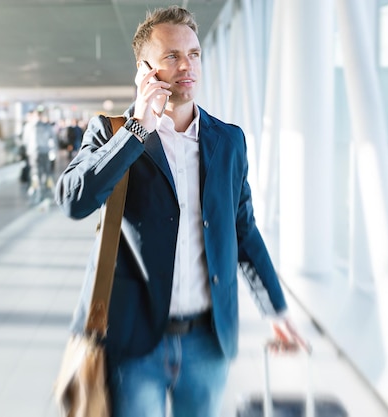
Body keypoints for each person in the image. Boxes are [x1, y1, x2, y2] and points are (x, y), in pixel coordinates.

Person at [54, 6, 307, 417]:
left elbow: (243, 230)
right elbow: (74, 200)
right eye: (172, 56)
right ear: (145, 69)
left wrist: (274, 307)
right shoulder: (113, 132)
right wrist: (138, 129)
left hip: (207, 341)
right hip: (135, 343)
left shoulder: (228, 141)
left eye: (194, 53)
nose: (186, 64)